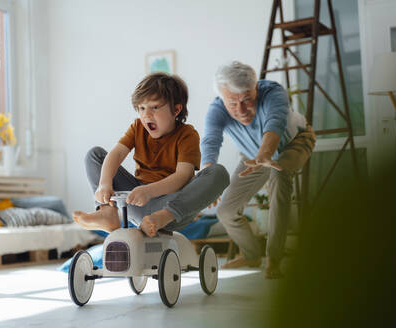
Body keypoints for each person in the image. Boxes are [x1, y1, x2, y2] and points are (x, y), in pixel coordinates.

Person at [74, 72, 229, 237]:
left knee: (218, 172)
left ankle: (160, 218)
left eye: (155, 107)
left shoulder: (187, 134)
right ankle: (106, 213)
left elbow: (182, 177)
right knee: (95, 155)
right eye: (141, 108)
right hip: (137, 201)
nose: (146, 115)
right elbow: (117, 154)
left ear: (176, 110)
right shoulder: (137, 127)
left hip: (172, 208)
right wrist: (104, 185)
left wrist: (149, 191)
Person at [201, 61, 316, 278]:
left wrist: (265, 153)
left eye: (247, 100)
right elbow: (210, 141)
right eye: (232, 104)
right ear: (222, 98)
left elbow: (275, 123)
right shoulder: (216, 109)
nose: (241, 110)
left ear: (256, 88)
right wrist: (209, 178)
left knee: (279, 174)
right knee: (226, 211)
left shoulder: (273, 92)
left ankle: (275, 258)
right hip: (253, 155)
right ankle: (252, 255)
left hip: (293, 142)